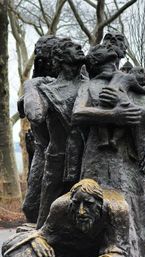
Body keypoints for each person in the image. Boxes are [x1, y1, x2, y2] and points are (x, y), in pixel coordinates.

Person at [72, 42, 145, 257]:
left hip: (126, 161)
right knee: (93, 203)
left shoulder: (130, 84)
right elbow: (78, 113)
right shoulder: (90, 86)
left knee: (134, 209)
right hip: (97, 158)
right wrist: (115, 114)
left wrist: (124, 106)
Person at [1, 179, 129, 257]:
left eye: (89, 204)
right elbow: (43, 234)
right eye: (76, 204)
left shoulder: (117, 210)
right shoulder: (60, 207)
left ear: (100, 204)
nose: (81, 211)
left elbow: (119, 249)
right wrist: (37, 239)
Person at [35, 38, 86, 228]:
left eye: (78, 45)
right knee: (47, 215)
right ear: (60, 57)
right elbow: (35, 119)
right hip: (57, 158)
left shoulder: (91, 85)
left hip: (85, 156)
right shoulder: (49, 90)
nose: (80, 47)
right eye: (72, 47)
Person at [20, 35, 60, 223]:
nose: (44, 61)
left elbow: (35, 114)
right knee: (31, 207)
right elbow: (31, 113)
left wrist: (30, 88)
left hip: (63, 152)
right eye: (40, 56)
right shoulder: (37, 83)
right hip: (42, 151)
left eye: (48, 56)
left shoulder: (71, 80)